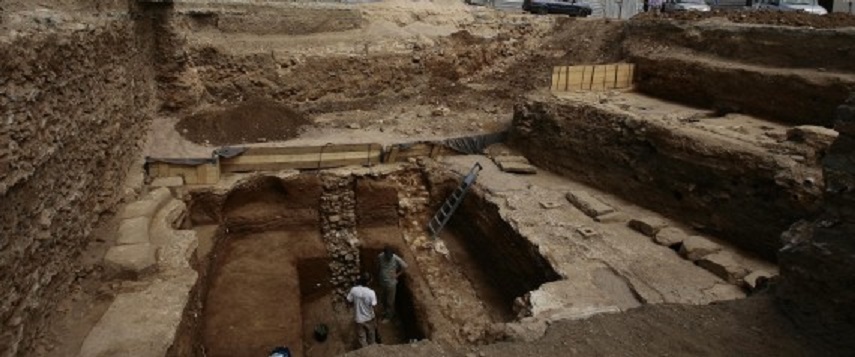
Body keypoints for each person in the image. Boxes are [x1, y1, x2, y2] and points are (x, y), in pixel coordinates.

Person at [346, 273, 378, 348]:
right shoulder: (371, 293)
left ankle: (365, 352)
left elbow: (348, 300)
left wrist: (353, 306)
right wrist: (375, 319)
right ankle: (372, 350)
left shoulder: (354, 290)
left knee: (362, 338)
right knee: (371, 335)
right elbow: (374, 306)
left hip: (358, 319)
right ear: (368, 282)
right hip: (369, 318)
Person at [377, 245, 408, 320]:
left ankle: (389, 316)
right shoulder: (380, 256)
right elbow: (378, 265)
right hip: (382, 281)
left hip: (391, 284)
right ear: (384, 253)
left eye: (390, 256)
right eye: (387, 256)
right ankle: (385, 311)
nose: (388, 258)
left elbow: (405, 266)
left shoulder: (395, 258)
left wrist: (397, 275)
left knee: (390, 301)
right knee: (383, 298)